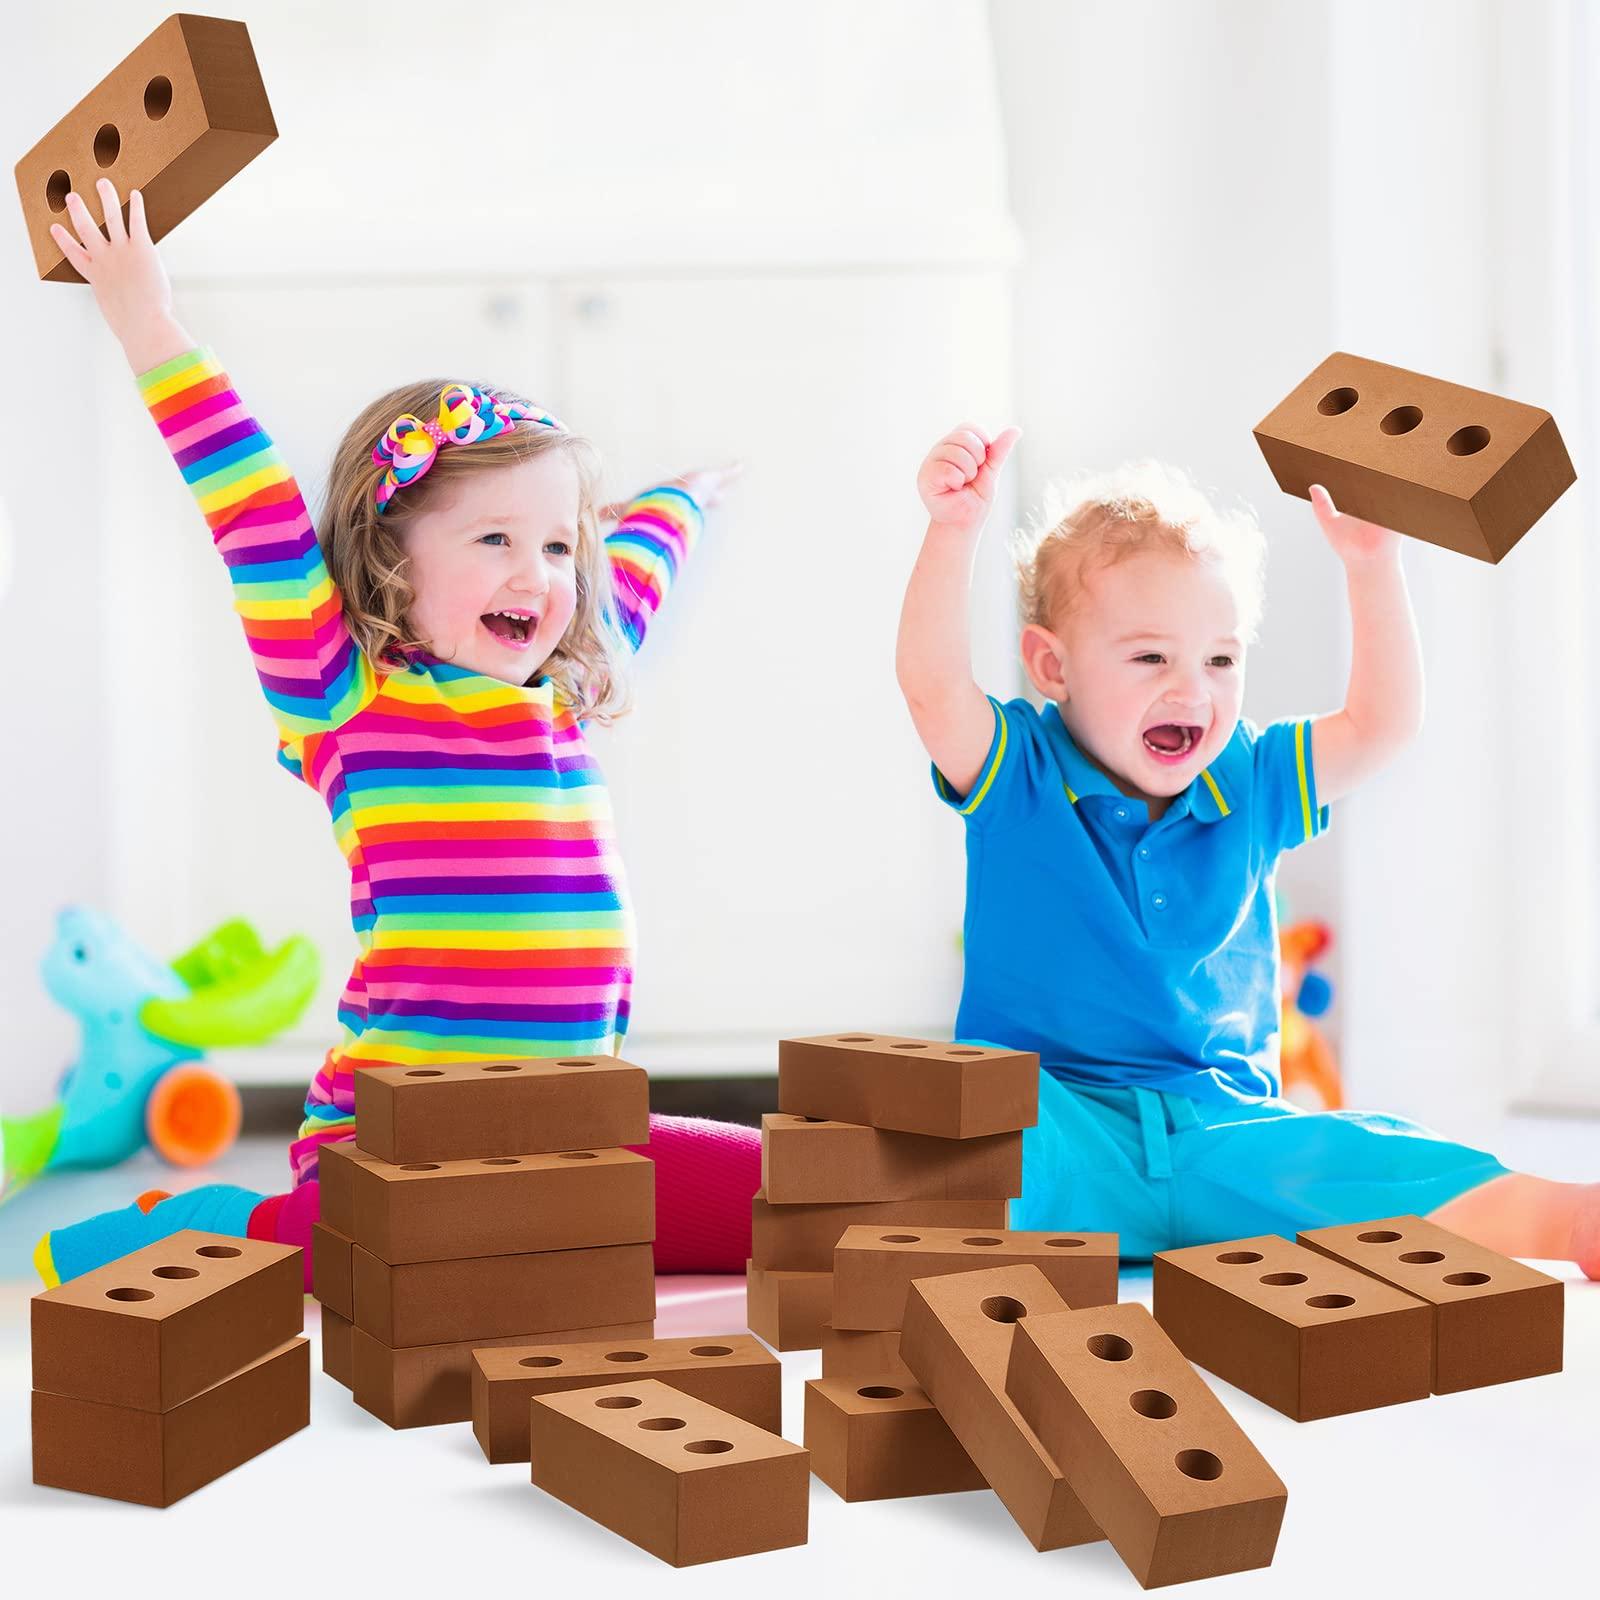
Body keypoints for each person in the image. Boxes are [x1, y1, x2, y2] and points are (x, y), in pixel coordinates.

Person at [37, 179, 758, 1287]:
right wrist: (147, 318)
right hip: (397, 1147)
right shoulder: (347, 696)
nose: (538, 575)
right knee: (372, 1260)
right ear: (389, 560)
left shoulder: (562, 690)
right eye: (495, 540)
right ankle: (200, 1223)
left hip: (576, 1133)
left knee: (788, 1200)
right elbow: (251, 509)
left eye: (555, 547)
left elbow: (634, 564)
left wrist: (689, 496)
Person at [896, 421, 1599, 1274]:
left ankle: (1565, 1220)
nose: (1192, 689)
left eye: (1221, 660)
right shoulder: (1021, 772)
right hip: (1060, 1125)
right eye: (1150, 657)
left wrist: (1371, 565)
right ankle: (767, 1192)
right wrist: (953, 531)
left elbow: (1382, 724)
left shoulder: (1255, 774)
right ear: (1052, 667)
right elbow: (934, 690)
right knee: (922, 1146)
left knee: (1369, 1157)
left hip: (1225, 1132)